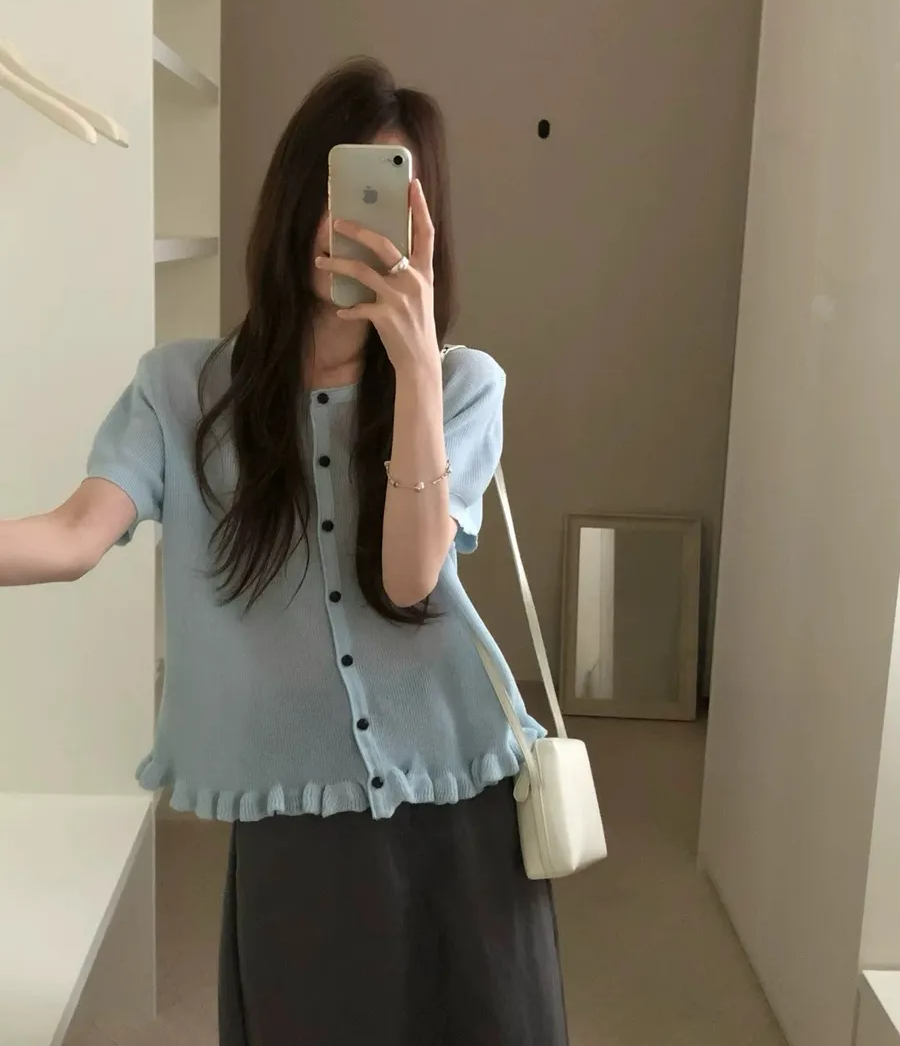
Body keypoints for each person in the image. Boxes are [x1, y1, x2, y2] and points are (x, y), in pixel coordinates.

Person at [0, 58, 568, 1045]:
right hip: (292, 812)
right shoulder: (181, 390)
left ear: (422, 225)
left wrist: (415, 366)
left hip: (459, 799)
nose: (344, 225)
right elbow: (74, 533)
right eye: (334, 187)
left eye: (381, 196)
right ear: (294, 194)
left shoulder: (462, 386)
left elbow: (409, 579)